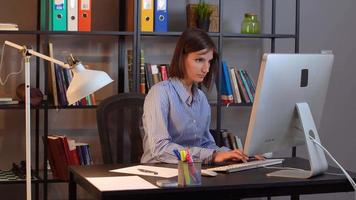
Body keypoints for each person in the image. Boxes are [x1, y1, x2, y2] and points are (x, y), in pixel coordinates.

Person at [141, 28, 249, 164]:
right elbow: (160, 149)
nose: (206, 69)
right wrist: (212, 155)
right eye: (199, 60)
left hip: (191, 171)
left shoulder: (201, 99)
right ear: (182, 57)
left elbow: (205, 144)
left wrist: (231, 154)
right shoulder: (159, 93)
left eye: (209, 61)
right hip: (160, 172)